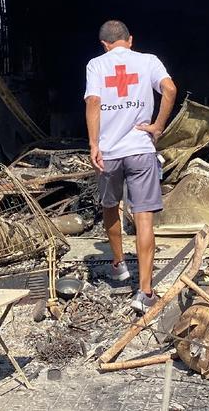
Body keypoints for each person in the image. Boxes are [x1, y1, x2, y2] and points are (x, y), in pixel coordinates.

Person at [84, 20, 177, 313]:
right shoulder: (148, 61)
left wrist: (94, 145)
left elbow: (94, 103)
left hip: (109, 152)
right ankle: (145, 291)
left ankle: (120, 264)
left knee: (110, 205)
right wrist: (158, 126)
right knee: (144, 217)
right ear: (130, 40)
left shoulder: (96, 65)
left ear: (104, 45)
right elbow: (170, 89)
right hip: (140, 149)